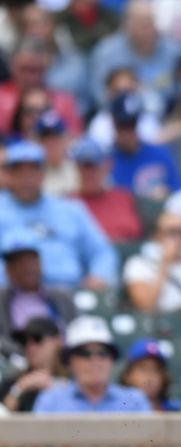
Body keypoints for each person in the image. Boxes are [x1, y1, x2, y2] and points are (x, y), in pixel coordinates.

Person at [0, 140, 118, 290]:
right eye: (20, 172)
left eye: (32, 171)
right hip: (11, 297)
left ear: (42, 174)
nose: (26, 178)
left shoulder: (70, 209)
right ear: (9, 175)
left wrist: (98, 275)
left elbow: (102, 252)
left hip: (68, 292)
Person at [33, 315, 151, 413]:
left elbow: (149, 440)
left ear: (111, 360)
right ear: (70, 361)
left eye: (102, 353)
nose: (95, 361)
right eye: (84, 353)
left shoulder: (134, 400)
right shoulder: (51, 401)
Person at [0, 228, 76, 350]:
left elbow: (76, 334)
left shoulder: (61, 296)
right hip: (16, 361)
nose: (26, 267)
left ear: (40, 263)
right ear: (8, 269)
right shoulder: (2, 300)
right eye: (18, 262)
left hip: (62, 360)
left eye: (30, 260)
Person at [122, 212, 181, 313]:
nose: (180, 238)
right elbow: (146, 306)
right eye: (173, 232)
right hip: (156, 325)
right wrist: (165, 263)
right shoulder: (138, 264)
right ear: (156, 236)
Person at [71, 136, 143, 243]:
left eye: (94, 166)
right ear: (77, 168)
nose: (89, 173)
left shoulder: (123, 197)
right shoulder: (69, 203)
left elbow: (136, 232)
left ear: (106, 166)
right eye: (84, 167)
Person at [0, 317, 66, 412]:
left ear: (57, 341)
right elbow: (2, 420)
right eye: (24, 341)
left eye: (37, 338)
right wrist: (19, 388)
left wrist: (61, 388)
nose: (30, 346)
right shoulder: (12, 383)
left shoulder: (74, 379)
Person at [120, 338, 181, 411]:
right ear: (128, 375)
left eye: (156, 369)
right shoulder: (117, 408)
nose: (149, 376)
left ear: (164, 376)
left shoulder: (175, 409)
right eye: (143, 369)